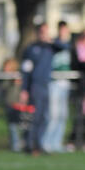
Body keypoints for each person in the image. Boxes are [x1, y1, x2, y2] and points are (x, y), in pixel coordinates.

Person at [20, 23, 61, 156]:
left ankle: (39, 143)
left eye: (46, 32)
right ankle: (30, 144)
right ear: (37, 33)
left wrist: (52, 40)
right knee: (35, 117)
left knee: (44, 117)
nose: (44, 34)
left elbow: (65, 46)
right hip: (35, 86)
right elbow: (25, 70)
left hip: (46, 85)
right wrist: (24, 89)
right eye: (42, 32)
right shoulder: (31, 49)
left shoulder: (50, 47)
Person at [42, 21, 72, 153]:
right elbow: (60, 46)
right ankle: (46, 142)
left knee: (62, 115)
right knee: (53, 114)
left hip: (65, 82)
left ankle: (57, 143)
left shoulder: (69, 44)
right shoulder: (54, 44)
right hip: (54, 82)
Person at [0, 58, 25, 152]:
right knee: (12, 125)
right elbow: (3, 87)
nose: (6, 68)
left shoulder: (19, 75)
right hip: (9, 103)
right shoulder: (4, 77)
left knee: (23, 125)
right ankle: (15, 145)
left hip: (19, 104)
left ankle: (23, 143)